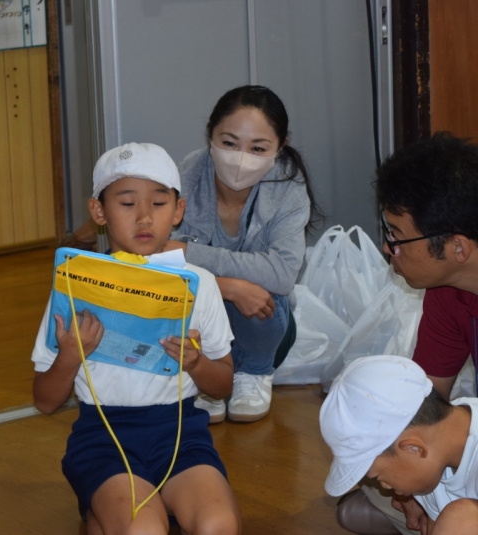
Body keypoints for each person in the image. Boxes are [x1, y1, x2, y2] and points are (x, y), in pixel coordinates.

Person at [32, 142, 241, 534]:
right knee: (143, 530)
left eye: (160, 204)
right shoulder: (75, 286)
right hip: (103, 437)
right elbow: (44, 402)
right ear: (98, 211)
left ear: (178, 210)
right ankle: (114, 510)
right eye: (127, 204)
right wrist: (70, 356)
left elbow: (224, 385)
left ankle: (121, 513)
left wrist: (195, 363)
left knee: (220, 525)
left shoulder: (200, 286)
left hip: (180, 433)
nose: (144, 217)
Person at [335, 133, 478, 535]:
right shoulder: (446, 293)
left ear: (457, 247)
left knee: (457, 514)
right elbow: (421, 403)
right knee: (382, 471)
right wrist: (418, 492)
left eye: (397, 236)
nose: (387, 247)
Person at [164, 85, 322, 423]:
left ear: (280, 147)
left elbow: (281, 274)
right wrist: (230, 286)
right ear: (210, 136)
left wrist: (191, 253)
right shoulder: (185, 178)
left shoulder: (289, 190)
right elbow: (160, 261)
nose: (240, 158)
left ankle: (254, 372)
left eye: (258, 147)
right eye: (229, 143)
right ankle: (204, 377)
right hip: (196, 331)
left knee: (265, 294)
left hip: (264, 324)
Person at [320, 355, 478, 535]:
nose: (385, 486)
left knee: (460, 519)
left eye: (380, 477)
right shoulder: (435, 455)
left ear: (414, 448)